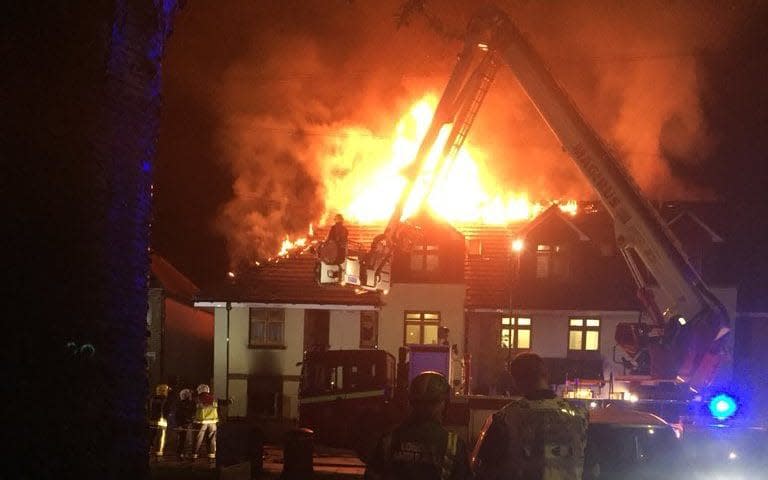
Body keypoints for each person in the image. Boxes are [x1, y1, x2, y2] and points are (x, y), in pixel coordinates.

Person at [472, 353, 588, 480]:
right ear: (546, 375)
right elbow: (593, 466)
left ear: (516, 380)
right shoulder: (580, 416)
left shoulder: (504, 419)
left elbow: (484, 471)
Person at [365, 371, 471, 480]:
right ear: (444, 404)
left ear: (410, 401)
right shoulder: (453, 445)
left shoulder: (389, 439)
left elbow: (372, 475)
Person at [191, 384, 218, 459]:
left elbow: (192, 409)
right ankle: (211, 455)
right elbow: (223, 403)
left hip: (201, 422)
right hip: (212, 423)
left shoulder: (197, 399)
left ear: (199, 390)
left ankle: (194, 455)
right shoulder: (214, 398)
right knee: (211, 439)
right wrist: (230, 400)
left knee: (198, 439)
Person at [148, 383, 171, 456]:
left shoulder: (152, 399)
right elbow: (167, 411)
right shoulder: (166, 400)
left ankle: (149, 450)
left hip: (152, 421)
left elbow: (149, 409)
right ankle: (159, 452)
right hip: (162, 421)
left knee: (151, 436)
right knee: (161, 438)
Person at [175, 388, 195, 459]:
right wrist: (179, 425)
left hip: (188, 424)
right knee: (182, 440)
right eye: (189, 394)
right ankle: (180, 454)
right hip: (183, 424)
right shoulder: (181, 404)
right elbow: (177, 416)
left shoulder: (190, 403)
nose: (190, 395)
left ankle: (185, 454)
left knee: (187, 440)